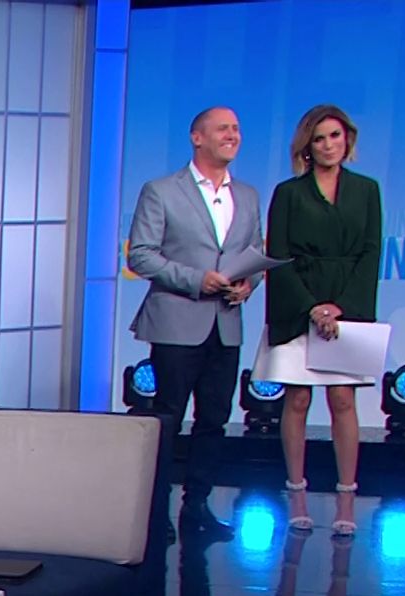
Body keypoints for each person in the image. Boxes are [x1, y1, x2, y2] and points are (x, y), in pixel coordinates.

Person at [127, 105, 266, 539]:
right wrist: (195, 280)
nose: (232, 135)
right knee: (168, 419)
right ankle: (154, 514)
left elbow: (256, 252)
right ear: (197, 137)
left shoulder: (248, 195)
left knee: (214, 420)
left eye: (237, 129)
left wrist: (248, 283)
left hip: (225, 325)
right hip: (176, 323)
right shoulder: (162, 191)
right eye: (223, 128)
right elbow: (141, 255)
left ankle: (197, 507)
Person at [255, 104, 382, 536]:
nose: (329, 145)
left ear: (348, 139)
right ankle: (297, 492)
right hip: (297, 302)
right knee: (297, 400)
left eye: (335, 136)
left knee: (343, 399)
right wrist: (311, 306)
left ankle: (346, 496)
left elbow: (370, 252)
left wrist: (339, 306)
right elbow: (278, 256)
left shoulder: (367, 190)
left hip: (348, 304)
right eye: (320, 138)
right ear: (307, 146)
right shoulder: (288, 193)